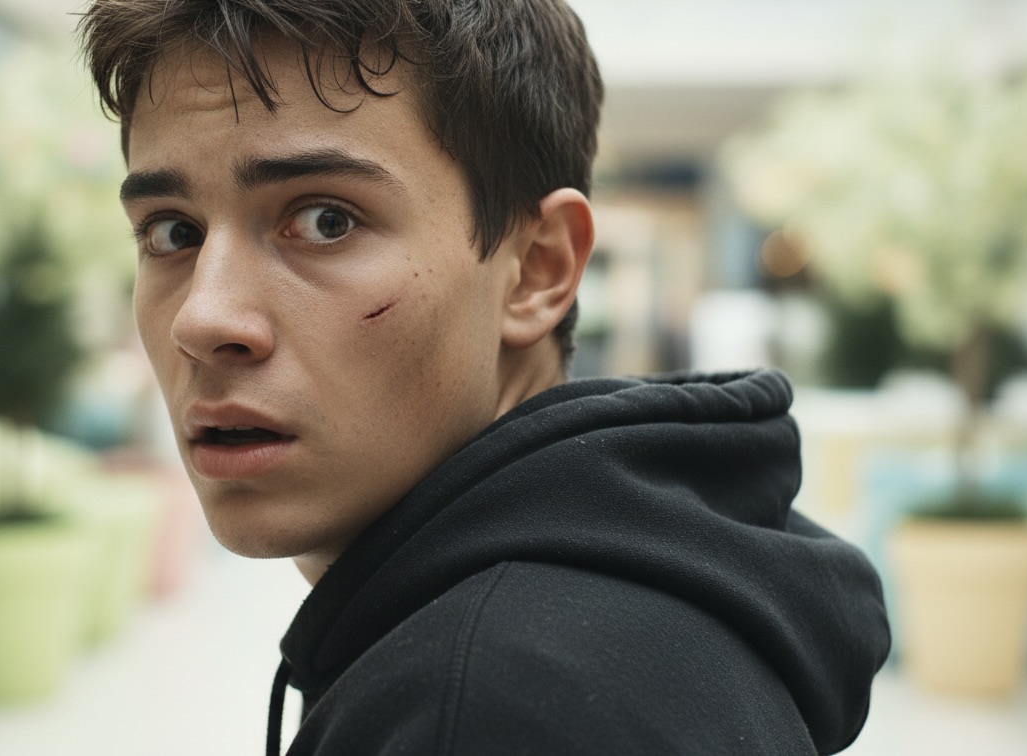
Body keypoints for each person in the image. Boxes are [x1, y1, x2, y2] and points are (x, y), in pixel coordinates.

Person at [78, 1, 890, 754]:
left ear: (537, 268)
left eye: (326, 220)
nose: (202, 320)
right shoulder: (617, 616)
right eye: (172, 231)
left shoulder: (479, 706)